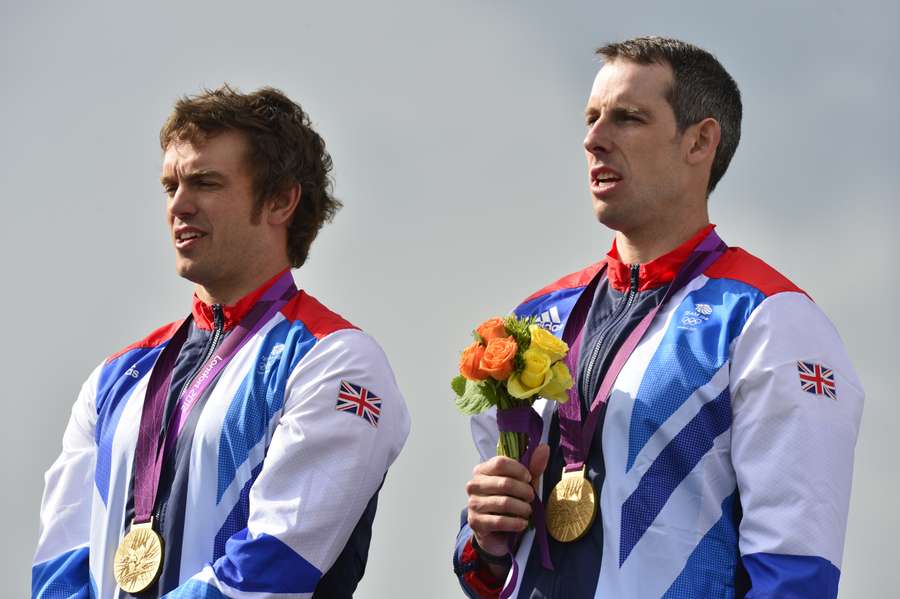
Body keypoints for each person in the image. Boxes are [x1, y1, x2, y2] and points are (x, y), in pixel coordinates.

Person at [454, 37, 863, 598]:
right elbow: (485, 575)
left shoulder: (769, 318)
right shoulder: (534, 319)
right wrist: (487, 540)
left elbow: (796, 573)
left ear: (700, 141)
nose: (593, 140)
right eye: (592, 118)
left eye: (627, 118)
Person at [32, 86, 410, 598]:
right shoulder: (115, 376)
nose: (179, 206)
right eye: (170, 187)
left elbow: (273, 568)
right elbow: (60, 563)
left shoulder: (336, 360)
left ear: (280, 200)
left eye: (205, 183)